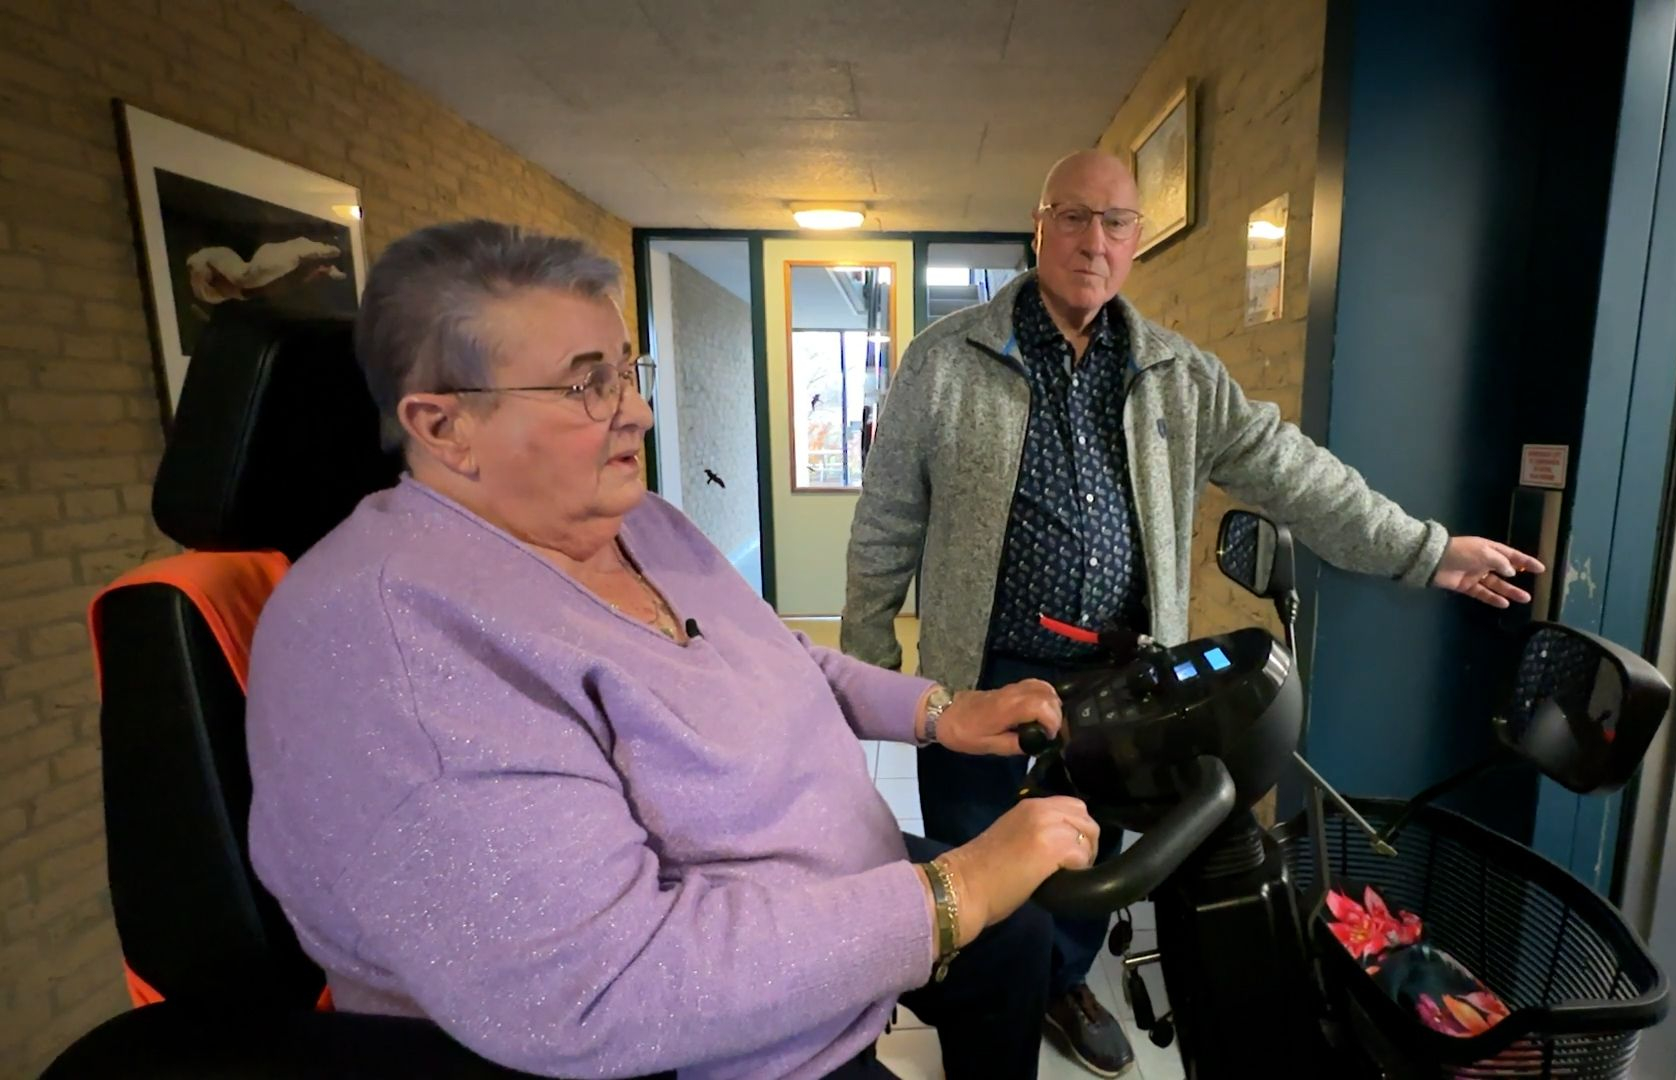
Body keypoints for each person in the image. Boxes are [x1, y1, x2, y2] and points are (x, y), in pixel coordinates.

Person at [245, 220, 1105, 1080]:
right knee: (999, 911)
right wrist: (955, 894)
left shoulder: (637, 522)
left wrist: (941, 714)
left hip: (834, 905)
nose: (639, 411)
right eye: (587, 385)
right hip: (729, 1040)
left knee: (1018, 936)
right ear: (445, 427)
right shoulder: (395, 646)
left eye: (626, 370)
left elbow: (780, 658)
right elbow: (612, 986)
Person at [842, 151, 1546, 1076]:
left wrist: (1427, 549)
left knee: (1091, 867)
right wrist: (862, 686)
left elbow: (1296, 472)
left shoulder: (1178, 373)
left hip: (1126, 682)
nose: (1095, 242)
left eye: (1117, 223)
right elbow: (886, 525)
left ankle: (1063, 982)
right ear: (1041, 223)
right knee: (985, 888)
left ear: (1137, 240)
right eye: (1076, 217)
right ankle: (992, 1037)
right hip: (990, 678)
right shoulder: (947, 361)